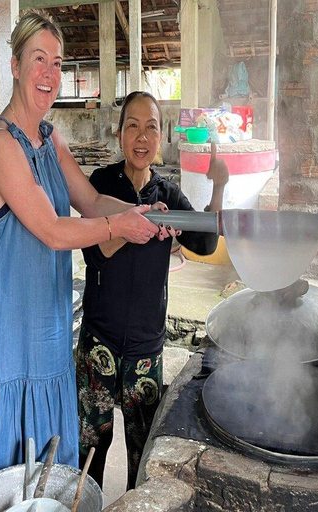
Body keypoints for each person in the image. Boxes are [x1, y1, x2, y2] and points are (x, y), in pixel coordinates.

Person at [0, 12, 170, 484]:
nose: (50, 75)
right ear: (14, 65)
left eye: (57, 62)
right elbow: (54, 230)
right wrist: (121, 225)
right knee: (13, 481)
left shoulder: (49, 137)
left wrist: (150, 215)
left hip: (49, 333)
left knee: (51, 477)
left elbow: (92, 200)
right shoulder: (1, 146)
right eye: (39, 60)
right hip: (11, 339)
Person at [76, 91, 229, 490]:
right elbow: (94, 254)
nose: (142, 136)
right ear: (120, 135)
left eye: (152, 127)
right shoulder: (100, 184)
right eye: (133, 126)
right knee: (90, 447)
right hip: (99, 344)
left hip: (146, 349)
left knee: (142, 455)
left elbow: (207, 244)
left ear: (161, 138)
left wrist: (219, 187)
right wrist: (135, 226)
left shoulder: (169, 195)